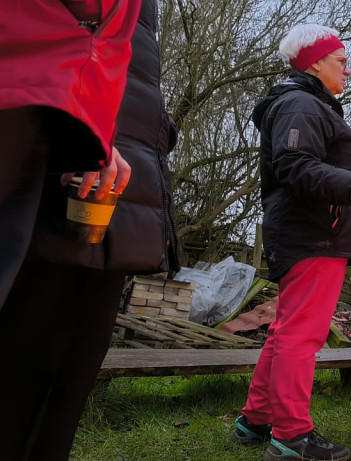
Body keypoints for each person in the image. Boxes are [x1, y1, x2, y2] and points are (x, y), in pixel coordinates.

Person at [0, 1, 163, 460]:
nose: (348, 71)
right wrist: (91, 124)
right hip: (51, 119)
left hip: (105, 162)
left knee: (63, 371)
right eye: (340, 61)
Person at [229, 24, 351, 461]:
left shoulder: (306, 104)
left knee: (284, 332)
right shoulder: (300, 104)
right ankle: (291, 437)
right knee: (301, 335)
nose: (348, 71)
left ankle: (254, 422)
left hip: (309, 233)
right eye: (342, 61)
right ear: (315, 62)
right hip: (313, 235)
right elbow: (295, 165)